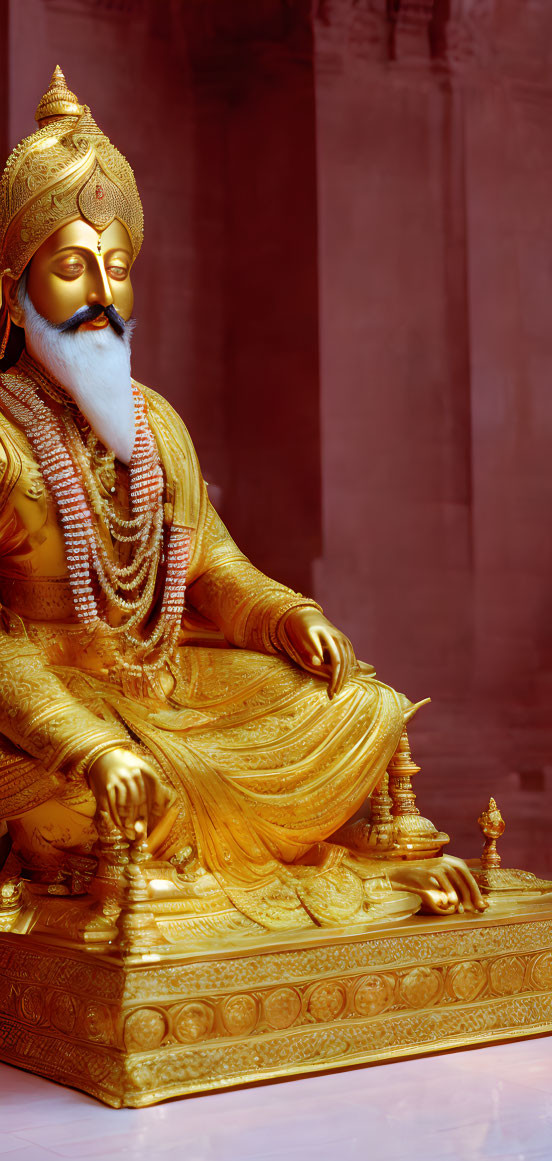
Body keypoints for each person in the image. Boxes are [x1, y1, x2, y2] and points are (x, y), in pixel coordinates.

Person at [0, 68, 483, 940]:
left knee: (360, 706)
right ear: (12, 293)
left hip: (165, 684)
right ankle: (150, 853)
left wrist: (284, 617)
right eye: (72, 268)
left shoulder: (156, 428)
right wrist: (88, 742)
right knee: (108, 799)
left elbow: (211, 568)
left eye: (116, 267)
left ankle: (179, 850)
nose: (103, 296)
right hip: (39, 720)